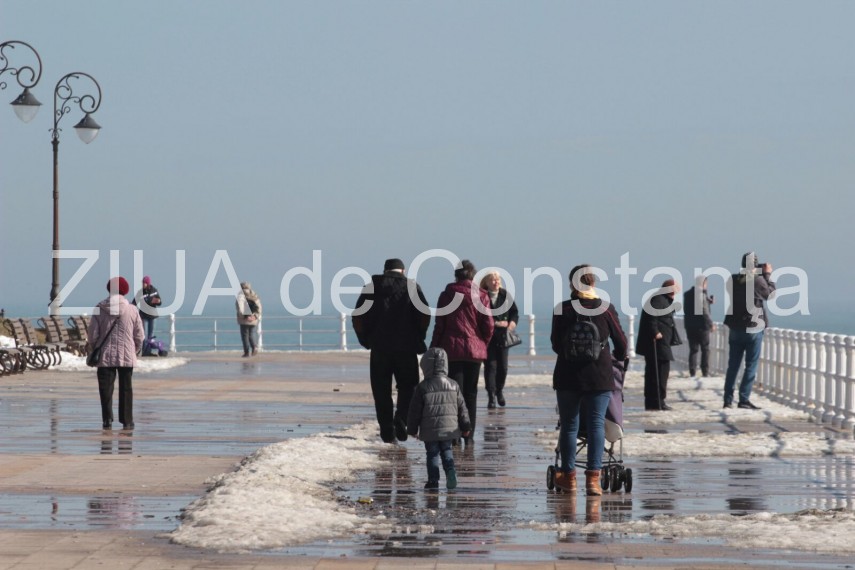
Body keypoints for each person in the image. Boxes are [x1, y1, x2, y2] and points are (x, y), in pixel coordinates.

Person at [550, 264, 627, 495]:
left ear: (572, 284)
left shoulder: (562, 308)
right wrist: (617, 358)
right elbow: (621, 344)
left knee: (570, 426)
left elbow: (555, 344)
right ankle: (593, 480)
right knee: (596, 426)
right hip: (599, 376)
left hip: (568, 375)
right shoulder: (605, 308)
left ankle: (569, 477)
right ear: (593, 283)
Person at [353, 258, 430, 443]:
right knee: (409, 386)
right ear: (403, 271)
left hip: (380, 348)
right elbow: (424, 314)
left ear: (385, 270)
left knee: (381, 390)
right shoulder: (412, 287)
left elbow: (358, 316)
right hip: (406, 347)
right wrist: (419, 337)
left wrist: (365, 340)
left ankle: (387, 430)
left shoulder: (371, 287)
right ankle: (401, 420)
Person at [431, 260, 494, 446]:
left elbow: (440, 324)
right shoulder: (482, 296)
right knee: (471, 394)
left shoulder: (447, 295)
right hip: (475, 353)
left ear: (456, 276)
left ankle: (454, 434)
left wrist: (434, 347)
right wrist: (482, 343)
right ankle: (470, 434)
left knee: (453, 394)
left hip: (452, 351)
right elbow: (488, 325)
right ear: (473, 276)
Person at [407, 347, 471, 490]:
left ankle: (433, 481)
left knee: (432, 454)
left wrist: (412, 429)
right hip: (449, 428)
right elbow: (462, 408)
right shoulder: (453, 385)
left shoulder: (423, 387)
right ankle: (450, 471)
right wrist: (466, 427)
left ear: (425, 365)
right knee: (447, 450)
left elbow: (414, 411)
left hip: (430, 430)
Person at [87, 277, 145, 430]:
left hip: (104, 355)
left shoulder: (99, 308)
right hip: (126, 354)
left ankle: (107, 420)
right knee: (126, 388)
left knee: (105, 389)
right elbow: (139, 335)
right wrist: (135, 349)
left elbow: (92, 334)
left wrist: (95, 347)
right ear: (125, 290)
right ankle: (127, 420)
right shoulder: (132, 309)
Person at [722, 252, 776, 409]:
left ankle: (727, 400)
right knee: (750, 365)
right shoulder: (758, 280)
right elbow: (770, 295)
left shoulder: (733, 279)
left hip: (735, 327)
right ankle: (743, 399)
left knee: (733, 366)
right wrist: (767, 275)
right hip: (753, 328)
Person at [636, 278, 682, 411]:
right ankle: (657, 401)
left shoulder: (662, 299)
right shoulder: (658, 300)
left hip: (662, 343)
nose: (676, 292)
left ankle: (656, 401)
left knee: (658, 372)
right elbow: (652, 318)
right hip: (657, 344)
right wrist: (655, 332)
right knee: (658, 372)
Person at [480, 271, 519, 409]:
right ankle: (491, 396)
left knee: (503, 367)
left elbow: (514, 312)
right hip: (488, 337)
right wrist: (494, 323)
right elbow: (479, 315)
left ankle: (499, 391)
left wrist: (511, 324)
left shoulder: (505, 295)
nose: (496, 282)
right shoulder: (482, 296)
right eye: (493, 280)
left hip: (503, 337)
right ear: (487, 282)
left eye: (498, 280)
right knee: (490, 367)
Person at [683, 276, 715, 377]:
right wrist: (711, 324)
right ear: (704, 283)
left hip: (689, 325)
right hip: (702, 326)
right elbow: (704, 311)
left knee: (693, 349)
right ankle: (705, 371)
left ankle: (692, 371)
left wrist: (707, 300)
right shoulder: (701, 294)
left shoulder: (687, 294)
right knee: (705, 349)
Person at [132, 275, 162, 348]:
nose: (142, 284)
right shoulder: (140, 292)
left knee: (150, 335)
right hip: (143, 315)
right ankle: (143, 349)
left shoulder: (154, 291)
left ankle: (149, 349)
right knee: (142, 334)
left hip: (152, 315)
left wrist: (157, 301)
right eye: (142, 283)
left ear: (147, 283)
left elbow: (160, 302)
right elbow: (134, 303)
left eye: (144, 283)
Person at [235, 282, 262, 357]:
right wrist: (255, 316)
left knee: (244, 336)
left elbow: (240, 308)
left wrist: (245, 316)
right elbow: (259, 307)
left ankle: (246, 352)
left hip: (244, 320)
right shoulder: (254, 295)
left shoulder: (241, 296)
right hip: (253, 319)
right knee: (250, 334)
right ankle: (254, 347)